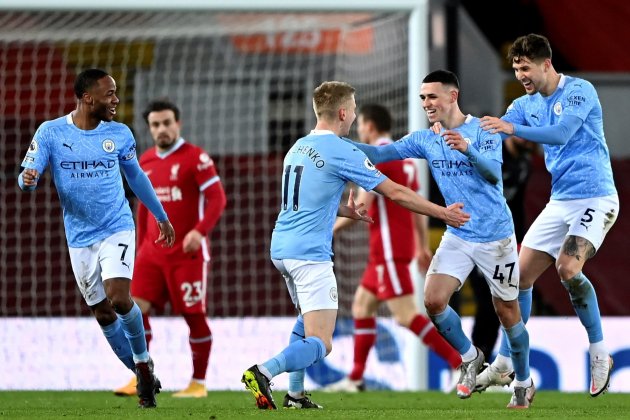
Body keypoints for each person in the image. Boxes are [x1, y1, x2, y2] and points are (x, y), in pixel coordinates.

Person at [240, 81, 470, 410]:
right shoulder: (342, 149)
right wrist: (442, 213)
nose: (356, 116)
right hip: (310, 255)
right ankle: (263, 372)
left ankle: (295, 395)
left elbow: (307, 198)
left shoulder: (298, 147)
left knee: (307, 321)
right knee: (322, 341)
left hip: (281, 248)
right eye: (354, 109)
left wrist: (343, 209)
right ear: (343, 112)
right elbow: (396, 193)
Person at [352, 70, 534, 408]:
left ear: (453, 96)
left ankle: (522, 380)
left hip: (496, 236)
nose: (426, 103)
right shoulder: (426, 138)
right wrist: (331, 142)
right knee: (434, 301)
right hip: (458, 233)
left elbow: (494, 173)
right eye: (422, 98)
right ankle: (471, 356)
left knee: (507, 313)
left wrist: (467, 149)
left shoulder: (483, 129)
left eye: (431, 96)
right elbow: (381, 154)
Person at [18, 68, 175, 408]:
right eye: (110, 94)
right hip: (79, 237)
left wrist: (161, 216)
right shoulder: (50, 133)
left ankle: (143, 361)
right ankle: (143, 373)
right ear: (88, 98)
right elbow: (27, 176)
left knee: (119, 299)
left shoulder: (119, 134)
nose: (116, 100)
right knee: (103, 313)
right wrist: (28, 180)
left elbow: (136, 178)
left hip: (116, 227)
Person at [477, 33, 619, 397]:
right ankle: (507, 362)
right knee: (516, 280)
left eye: (525, 68)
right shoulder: (526, 104)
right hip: (560, 202)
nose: (521, 76)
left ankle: (599, 352)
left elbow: (561, 133)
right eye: (516, 69)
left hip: (596, 197)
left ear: (545, 64)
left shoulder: (579, 91)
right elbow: (494, 135)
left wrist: (511, 128)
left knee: (567, 269)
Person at [325, 104, 462, 392]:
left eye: (361, 124)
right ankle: (357, 378)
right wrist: (421, 245)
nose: (360, 129)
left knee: (405, 316)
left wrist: (326, 232)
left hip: (388, 250)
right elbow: (415, 204)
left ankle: (459, 364)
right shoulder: (404, 157)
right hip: (388, 250)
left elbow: (362, 208)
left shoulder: (380, 158)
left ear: (370, 126)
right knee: (362, 305)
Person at [113, 99, 227, 398]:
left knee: (193, 315)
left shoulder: (196, 158)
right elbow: (142, 207)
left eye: (166, 123)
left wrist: (199, 232)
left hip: (186, 254)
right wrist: (139, 246)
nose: (161, 129)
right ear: (149, 128)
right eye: (155, 124)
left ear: (178, 124)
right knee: (134, 309)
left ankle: (198, 383)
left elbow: (217, 199)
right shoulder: (145, 161)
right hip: (151, 253)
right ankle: (142, 373)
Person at [469, 135, 535, 364]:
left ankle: (487, 363)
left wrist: (520, 242)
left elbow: (517, 207)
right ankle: (474, 361)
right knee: (486, 305)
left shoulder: (525, 164)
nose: (530, 140)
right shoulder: (492, 157)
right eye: (526, 135)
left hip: (504, 243)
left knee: (500, 304)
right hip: (477, 238)